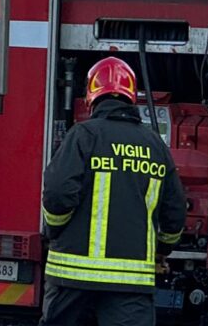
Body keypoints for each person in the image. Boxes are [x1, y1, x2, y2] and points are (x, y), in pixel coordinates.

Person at [40, 56, 186, 326]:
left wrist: (54, 229)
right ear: (132, 97)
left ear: (91, 96)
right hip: (130, 285)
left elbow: (58, 193)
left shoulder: (83, 135)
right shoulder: (154, 145)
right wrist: (162, 249)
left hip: (71, 279)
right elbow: (174, 213)